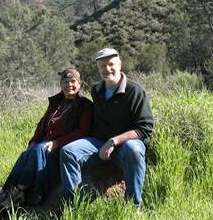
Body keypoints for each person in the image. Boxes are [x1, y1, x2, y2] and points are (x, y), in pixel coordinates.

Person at [0, 68, 93, 211]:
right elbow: (42, 124)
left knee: (37, 150)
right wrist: (34, 140)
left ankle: (19, 193)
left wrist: (57, 143)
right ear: (61, 84)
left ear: (79, 84)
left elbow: (82, 132)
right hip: (43, 147)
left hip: (61, 148)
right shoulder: (56, 103)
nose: (69, 85)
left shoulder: (85, 105)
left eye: (73, 81)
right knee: (27, 153)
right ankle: (7, 193)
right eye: (65, 82)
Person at [59, 48, 154, 207]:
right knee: (68, 151)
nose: (107, 69)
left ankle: (133, 206)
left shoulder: (134, 91)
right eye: (102, 65)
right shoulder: (97, 90)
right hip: (99, 142)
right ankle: (72, 206)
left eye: (111, 64)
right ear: (98, 67)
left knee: (134, 150)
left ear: (119, 64)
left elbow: (145, 128)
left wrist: (113, 141)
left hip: (126, 144)